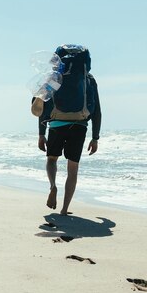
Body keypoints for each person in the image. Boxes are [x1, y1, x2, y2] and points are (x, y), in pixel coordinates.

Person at [37, 72, 101, 215]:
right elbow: (97, 110)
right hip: (79, 125)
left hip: (56, 124)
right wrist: (95, 137)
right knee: (72, 169)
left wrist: (41, 133)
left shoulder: (54, 77)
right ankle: (64, 209)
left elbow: (42, 105)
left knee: (52, 159)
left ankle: (53, 186)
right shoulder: (88, 78)